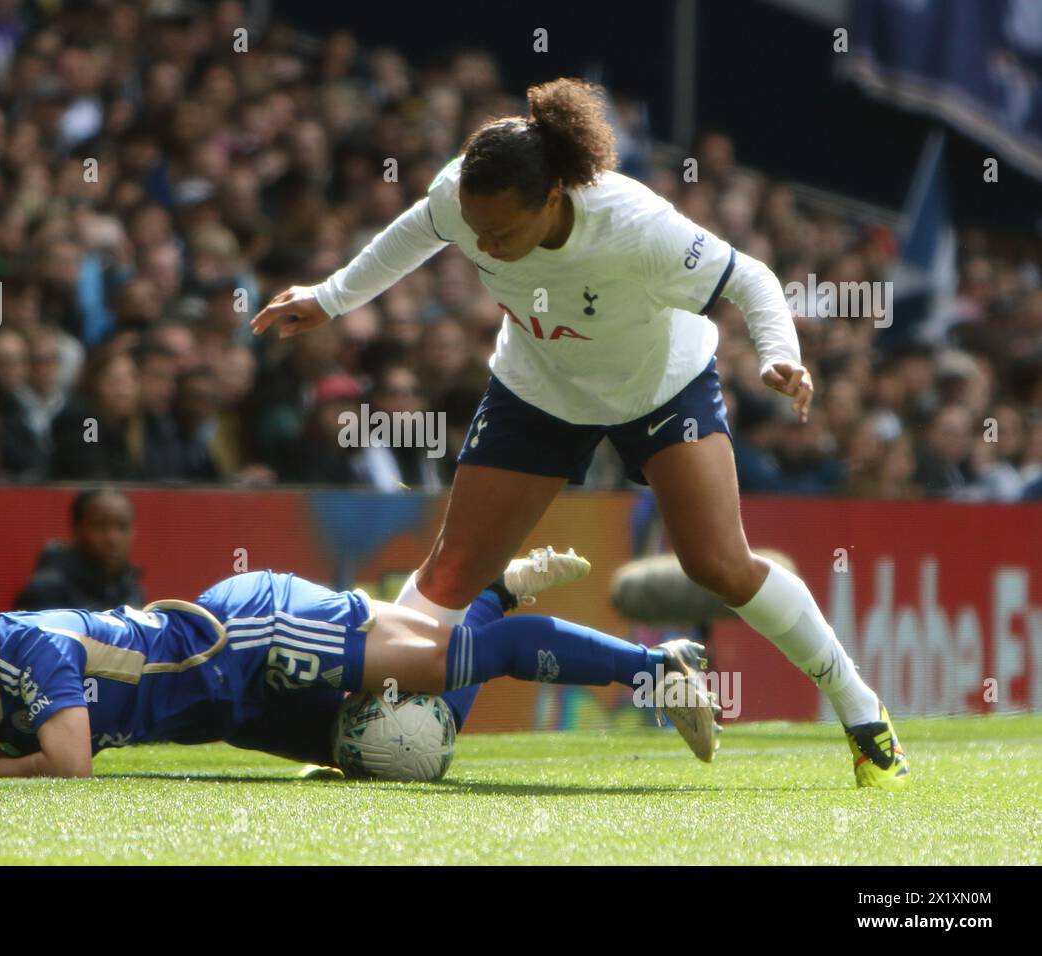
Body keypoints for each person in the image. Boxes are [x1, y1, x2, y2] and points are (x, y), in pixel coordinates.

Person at [250, 77, 908, 790]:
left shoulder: (633, 225)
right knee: (450, 570)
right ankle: (364, 727)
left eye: (503, 232)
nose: (488, 247)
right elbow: (418, 230)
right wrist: (330, 297)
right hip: (540, 389)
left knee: (719, 563)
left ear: (555, 199)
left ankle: (865, 718)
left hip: (662, 387)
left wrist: (782, 353)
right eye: (477, 232)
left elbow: (750, 278)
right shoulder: (463, 197)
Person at [0, 548, 720, 780]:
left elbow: (71, 763)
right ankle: (497, 590)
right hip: (233, 715)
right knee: (406, 755)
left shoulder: (30, 647)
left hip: (251, 638)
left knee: (451, 657)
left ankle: (658, 663)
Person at [15, 488, 146, 612]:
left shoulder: (132, 589)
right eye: (100, 526)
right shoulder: (46, 590)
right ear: (76, 530)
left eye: (123, 527)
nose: (113, 539)